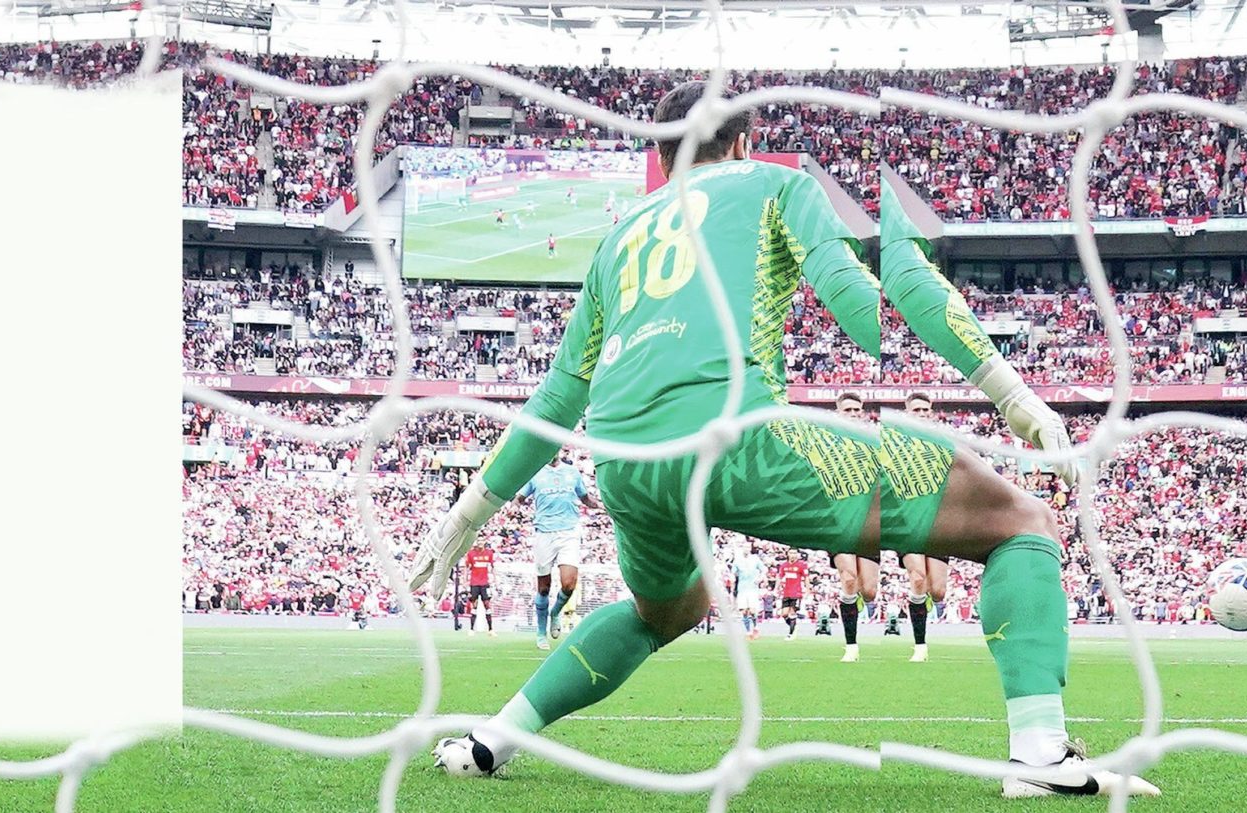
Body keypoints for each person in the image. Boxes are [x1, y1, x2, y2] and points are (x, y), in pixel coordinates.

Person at [410, 82, 1147, 797]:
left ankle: (488, 742)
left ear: (663, 161)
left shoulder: (617, 238)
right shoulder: (773, 183)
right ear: (743, 142)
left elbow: (559, 396)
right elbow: (862, 299)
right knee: (1020, 522)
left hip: (625, 466)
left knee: (661, 612)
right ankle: (1042, 751)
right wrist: (1005, 391)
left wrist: (465, 514)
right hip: (738, 440)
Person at [519, 455, 600, 650]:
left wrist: (602, 504)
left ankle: (555, 613)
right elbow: (519, 498)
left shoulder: (572, 472)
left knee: (569, 583)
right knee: (544, 588)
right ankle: (540, 633)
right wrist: (512, 502)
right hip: (544, 534)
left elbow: (585, 498)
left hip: (569, 532)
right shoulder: (535, 473)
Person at [898, 393, 951, 663]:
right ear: (907, 412)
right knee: (917, 577)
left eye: (925, 409)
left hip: (937, 523)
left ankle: (919, 609)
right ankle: (920, 645)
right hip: (907, 524)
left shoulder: (941, 444)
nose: (921, 412)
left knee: (938, 591)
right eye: (916, 409)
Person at [830, 392, 881, 663]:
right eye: (848, 409)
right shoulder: (828, 442)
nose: (853, 413)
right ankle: (851, 646)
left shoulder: (874, 443)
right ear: (838, 412)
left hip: (869, 524)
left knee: (869, 591)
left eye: (856, 409)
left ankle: (852, 609)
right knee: (848, 578)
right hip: (840, 522)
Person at [463, 543, 496, 636]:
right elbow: (466, 568)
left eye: (482, 541)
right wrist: (464, 581)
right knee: (474, 606)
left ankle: (490, 629)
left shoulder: (489, 553)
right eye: (479, 541)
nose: (480, 543)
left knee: (487, 605)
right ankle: (471, 629)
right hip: (474, 584)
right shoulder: (471, 554)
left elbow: (492, 567)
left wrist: (495, 580)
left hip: (485, 584)